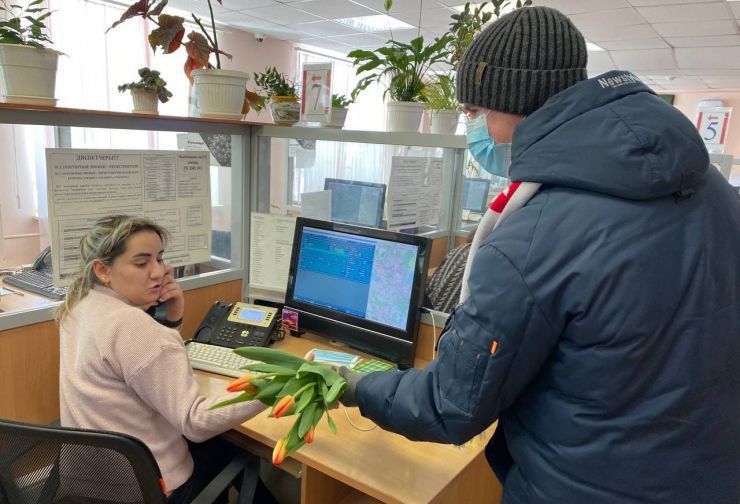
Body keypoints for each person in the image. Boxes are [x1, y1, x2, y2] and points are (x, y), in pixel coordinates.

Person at [340, 6, 740, 503]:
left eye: (479, 112)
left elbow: (449, 405)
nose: (477, 129)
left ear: (512, 102)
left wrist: (354, 386)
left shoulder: (534, 236)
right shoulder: (716, 191)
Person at [57, 215, 274, 503]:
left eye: (160, 259)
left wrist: (169, 323)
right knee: (234, 454)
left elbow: (138, 367)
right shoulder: (134, 327)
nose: (158, 273)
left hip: (90, 483)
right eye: (141, 262)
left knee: (222, 449)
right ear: (102, 270)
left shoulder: (79, 307)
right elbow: (196, 422)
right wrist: (274, 388)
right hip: (148, 488)